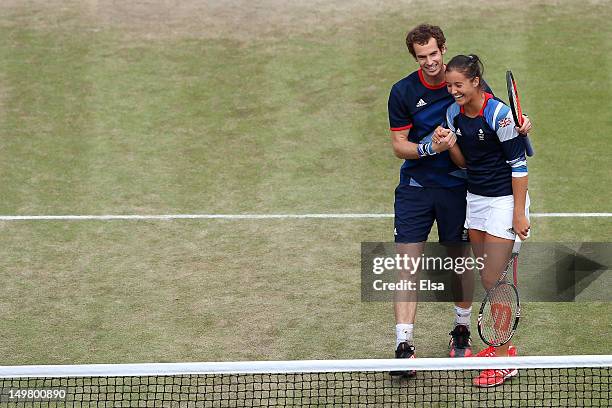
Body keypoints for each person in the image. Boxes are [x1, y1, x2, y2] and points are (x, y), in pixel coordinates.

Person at [387, 23, 532, 373]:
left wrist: (522, 125)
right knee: (410, 265)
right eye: (422, 57)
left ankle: (471, 334)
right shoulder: (407, 93)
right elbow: (400, 146)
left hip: (464, 194)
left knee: (468, 268)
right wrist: (433, 146)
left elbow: (506, 134)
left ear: (443, 50)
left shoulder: (474, 91)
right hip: (426, 192)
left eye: (434, 54)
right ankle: (404, 345)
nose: (430, 62)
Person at [433, 54, 530, 387]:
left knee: (494, 277)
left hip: (504, 202)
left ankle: (503, 360)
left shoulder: (499, 115)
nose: (453, 91)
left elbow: (519, 166)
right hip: (476, 200)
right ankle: (504, 349)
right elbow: (465, 163)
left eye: (458, 85)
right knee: (488, 279)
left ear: (475, 82)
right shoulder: (453, 114)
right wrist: (449, 146)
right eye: (449, 86)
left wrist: (519, 213)